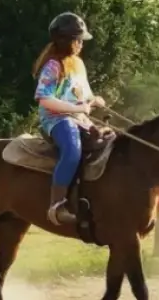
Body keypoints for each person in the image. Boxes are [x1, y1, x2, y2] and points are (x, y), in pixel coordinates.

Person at [32, 12, 106, 225]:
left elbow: (85, 93)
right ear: (66, 40)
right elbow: (44, 99)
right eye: (78, 39)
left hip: (79, 118)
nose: (82, 43)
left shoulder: (78, 64)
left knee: (106, 140)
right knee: (72, 149)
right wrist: (75, 107)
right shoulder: (54, 65)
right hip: (56, 120)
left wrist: (95, 100)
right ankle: (57, 205)